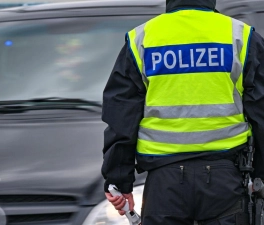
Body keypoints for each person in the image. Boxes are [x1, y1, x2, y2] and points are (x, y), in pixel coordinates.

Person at [101, 0, 264, 224]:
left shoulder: (142, 38)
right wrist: (260, 177)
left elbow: (121, 115)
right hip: (225, 181)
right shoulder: (240, 36)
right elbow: (261, 114)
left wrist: (119, 180)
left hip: (164, 184)